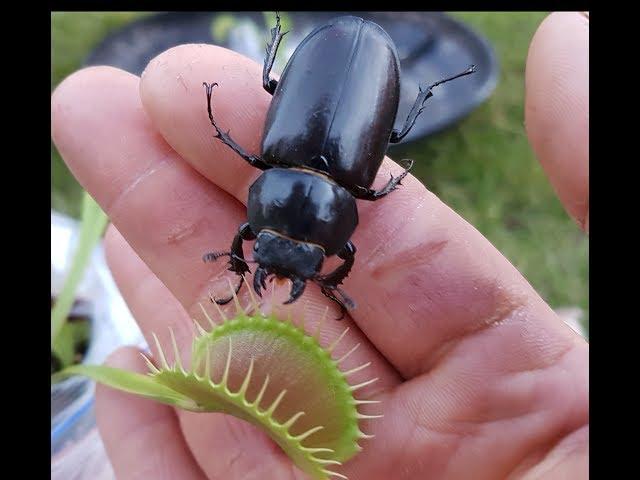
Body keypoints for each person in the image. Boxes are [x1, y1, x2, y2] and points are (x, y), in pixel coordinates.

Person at [51, 11, 588, 480]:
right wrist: (311, 279)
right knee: (368, 134)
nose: (275, 262)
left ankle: (294, 42)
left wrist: (243, 256)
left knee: (280, 100)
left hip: (340, 71)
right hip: (356, 80)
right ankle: (313, 50)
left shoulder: (287, 171)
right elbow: (288, 240)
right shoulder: (340, 185)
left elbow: (258, 234)